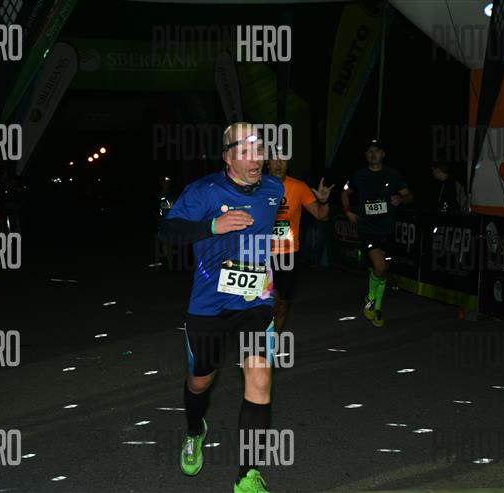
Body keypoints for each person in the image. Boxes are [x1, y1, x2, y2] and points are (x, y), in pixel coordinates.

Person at [159, 122, 283, 493]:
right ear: (227, 157)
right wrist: (213, 226)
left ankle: (247, 474)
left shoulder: (274, 190)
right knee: (200, 381)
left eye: (259, 150)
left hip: (254, 303)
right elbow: (168, 232)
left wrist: (268, 272)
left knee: (259, 378)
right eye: (245, 151)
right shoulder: (204, 192)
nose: (255, 158)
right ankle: (194, 430)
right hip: (209, 305)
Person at [341, 139, 413, 327]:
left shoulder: (392, 174)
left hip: (387, 230)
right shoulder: (359, 175)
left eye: (377, 151)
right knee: (379, 266)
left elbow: (409, 195)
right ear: (366, 155)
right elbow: (345, 192)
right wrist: (348, 211)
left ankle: (377, 307)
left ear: (383, 154)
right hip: (367, 229)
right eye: (369, 151)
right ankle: (371, 298)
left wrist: (401, 199)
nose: (373, 154)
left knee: (383, 269)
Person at [267, 157, 332, 332]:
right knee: (271, 302)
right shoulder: (256, 186)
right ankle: (263, 340)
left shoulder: (298, 187)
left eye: (283, 160)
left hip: (288, 254)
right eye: (274, 160)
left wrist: (324, 201)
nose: (278, 164)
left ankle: (273, 342)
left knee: (282, 306)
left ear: (288, 164)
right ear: (267, 163)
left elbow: (321, 215)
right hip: (262, 254)